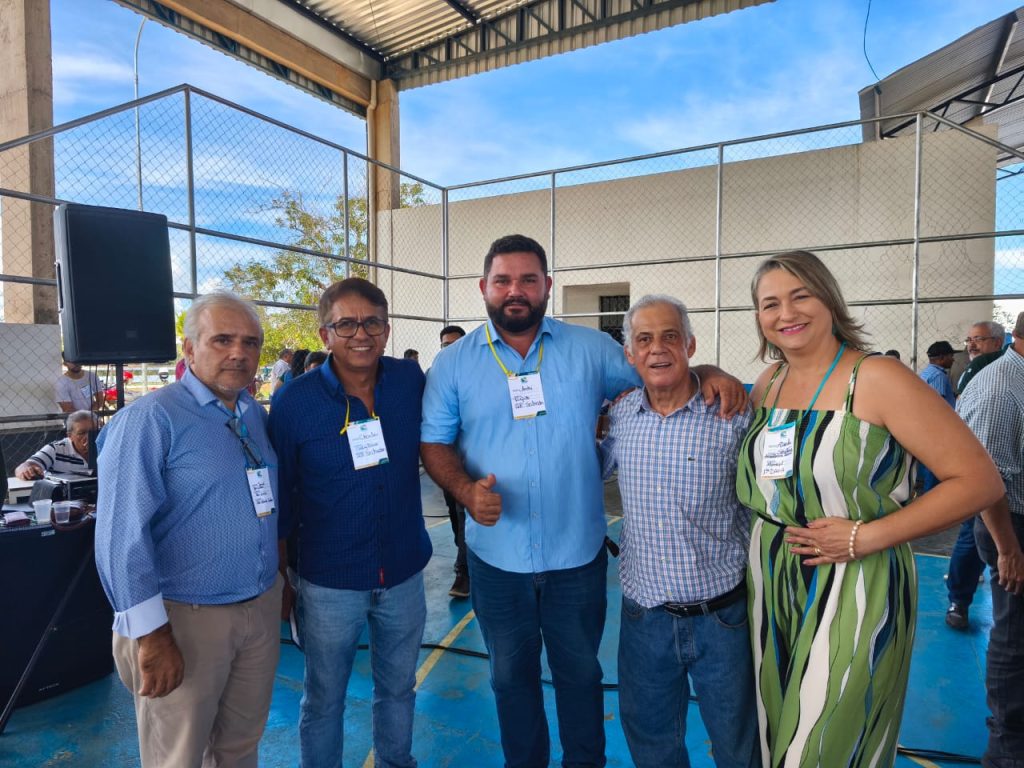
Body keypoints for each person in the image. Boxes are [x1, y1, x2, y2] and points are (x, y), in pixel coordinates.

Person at [420, 234, 745, 768]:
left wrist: (711, 372)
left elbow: (658, 372)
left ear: (547, 286)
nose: (515, 291)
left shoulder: (592, 350)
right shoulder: (453, 365)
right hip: (497, 560)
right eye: (503, 280)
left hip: (577, 559)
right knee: (509, 676)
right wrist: (463, 491)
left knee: (581, 675)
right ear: (484, 288)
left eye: (528, 279)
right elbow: (433, 442)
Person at [735, 250, 1001, 768]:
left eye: (800, 296)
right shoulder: (769, 384)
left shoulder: (877, 378)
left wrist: (865, 537)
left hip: (856, 580)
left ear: (829, 300)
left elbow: (978, 481)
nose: (786, 313)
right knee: (772, 739)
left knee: (823, 748)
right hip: (770, 583)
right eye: (770, 304)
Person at [94, 291, 282, 768]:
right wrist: (152, 636)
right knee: (176, 756)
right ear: (189, 348)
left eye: (250, 342)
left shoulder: (251, 414)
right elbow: (121, 538)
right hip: (185, 619)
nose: (238, 352)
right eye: (222, 339)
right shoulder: (149, 419)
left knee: (240, 748)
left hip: (256, 609)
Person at [269, 278, 431, 768]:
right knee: (323, 699)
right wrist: (282, 577)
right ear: (324, 334)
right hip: (329, 580)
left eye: (372, 322)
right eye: (345, 324)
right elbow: (281, 497)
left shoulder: (410, 382)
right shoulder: (295, 402)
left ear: (386, 328)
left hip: (403, 571)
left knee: (399, 689)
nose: (360, 334)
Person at [601, 294, 758, 768]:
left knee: (739, 744)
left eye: (670, 336)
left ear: (690, 344)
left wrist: (716, 374)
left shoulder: (734, 415)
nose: (657, 349)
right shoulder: (621, 416)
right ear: (630, 355)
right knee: (652, 743)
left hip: (722, 619)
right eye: (644, 339)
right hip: (644, 617)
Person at [956, 311, 1024, 768]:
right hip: (1011, 524)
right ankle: (1008, 744)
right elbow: (986, 479)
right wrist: (1008, 548)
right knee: (1014, 632)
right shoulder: (1001, 389)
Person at [947, 320, 1006, 629]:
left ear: (998, 341)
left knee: (974, 534)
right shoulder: (982, 367)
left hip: (983, 462)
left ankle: (959, 599)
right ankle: (959, 599)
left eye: (978, 339)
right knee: (973, 533)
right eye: (969, 339)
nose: (971, 345)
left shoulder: (991, 366)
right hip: (980, 465)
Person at [438, 324, 469, 598]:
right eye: (446, 345)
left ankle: (464, 571)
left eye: (457, 344)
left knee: (464, 514)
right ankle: (465, 558)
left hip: (475, 464)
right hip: (446, 462)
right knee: (455, 516)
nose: (452, 349)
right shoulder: (434, 377)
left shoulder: (479, 375)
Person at [917, 340, 956, 493]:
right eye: (950, 356)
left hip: (925, 428)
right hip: (936, 430)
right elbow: (937, 407)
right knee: (933, 469)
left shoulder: (927, 372)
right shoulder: (939, 376)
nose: (953, 359)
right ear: (941, 358)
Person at [15, 410, 97, 479]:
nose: (88, 436)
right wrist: (27, 470)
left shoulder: (104, 447)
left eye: (93, 431)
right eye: (82, 433)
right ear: (70, 436)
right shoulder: (56, 449)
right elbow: (25, 466)